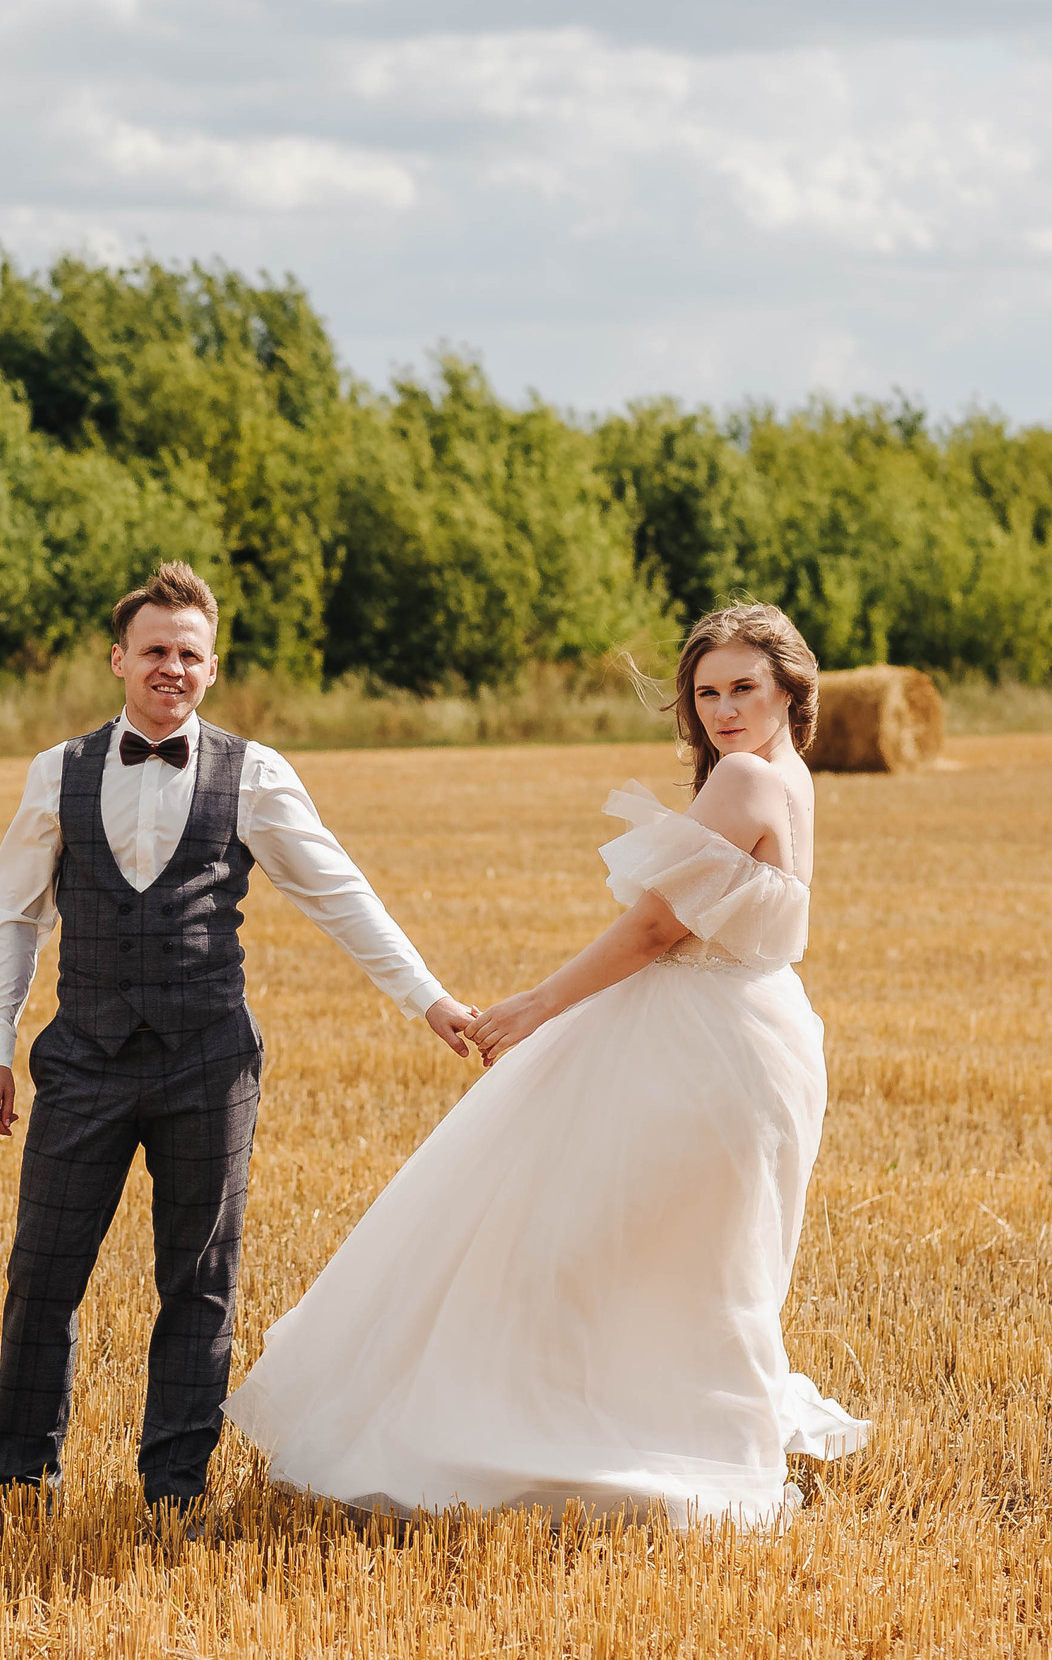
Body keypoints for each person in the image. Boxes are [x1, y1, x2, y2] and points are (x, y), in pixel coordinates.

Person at [219, 603, 871, 1528]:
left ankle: (556, 1439)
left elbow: (653, 930)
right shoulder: (792, 777)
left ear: (789, 691)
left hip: (695, 1046)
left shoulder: (740, 780)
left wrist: (533, 1007)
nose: (723, 709)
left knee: (570, 1239)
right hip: (767, 1033)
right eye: (708, 691)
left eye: (744, 689)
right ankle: (701, 1432)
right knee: (706, 1257)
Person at [0, 561, 478, 1524]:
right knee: (41, 1273)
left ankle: (174, 1493)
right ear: (120, 660)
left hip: (211, 1059)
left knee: (197, 1279)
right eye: (154, 650)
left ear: (212, 667)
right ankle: (18, 1487)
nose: (171, 667)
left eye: (188, 654)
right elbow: (14, 919)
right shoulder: (58, 771)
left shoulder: (257, 773)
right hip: (82, 1058)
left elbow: (340, 896)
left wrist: (428, 999)